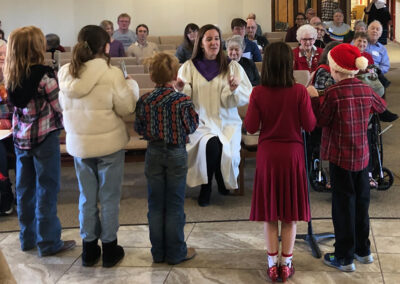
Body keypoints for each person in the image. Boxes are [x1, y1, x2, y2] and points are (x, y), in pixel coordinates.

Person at [57, 25, 139, 267]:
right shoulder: (111, 74)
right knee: (110, 198)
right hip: (108, 146)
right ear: (105, 46)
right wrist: (132, 87)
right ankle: (111, 249)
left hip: (80, 144)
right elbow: (126, 108)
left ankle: (89, 250)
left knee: (86, 198)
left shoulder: (64, 73)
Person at [308, 43, 386, 272]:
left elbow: (321, 121)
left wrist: (314, 97)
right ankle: (363, 250)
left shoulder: (333, 93)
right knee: (362, 203)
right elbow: (381, 106)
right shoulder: (364, 89)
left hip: (340, 157)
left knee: (343, 206)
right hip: (362, 155)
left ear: (335, 69)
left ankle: (344, 256)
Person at [244, 42, 316, 282]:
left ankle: (271, 263)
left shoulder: (258, 92)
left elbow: (252, 127)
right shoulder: (298, 91)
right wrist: (311, 97)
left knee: (270, 213)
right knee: (289, 214)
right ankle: (286, 264)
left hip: (268, 155)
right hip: (292, 154)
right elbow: (310, 125)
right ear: (289, 64)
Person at [3, 26, 76, 256]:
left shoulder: (11, 75)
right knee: (47, 189)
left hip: (21, 139)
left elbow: (12, 108)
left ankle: (27, 238)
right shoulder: (44, 75)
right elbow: (59, 106)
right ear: (36, 47)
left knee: (25, 190)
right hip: (45, 139)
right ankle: (49, 242)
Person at [177, 24, 252, 206]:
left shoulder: (231, 67)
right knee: (211, 144)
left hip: (226, 121)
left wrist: (233, 90)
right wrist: (181, 89)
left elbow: (247, 95)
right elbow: (184, 97)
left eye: (217, 38)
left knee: (223, 144)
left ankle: (220, 177)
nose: (214, 42)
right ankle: (207, 186)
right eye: (209, 39)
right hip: (200, 121)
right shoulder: (189, 67)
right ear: (201, 43)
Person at [135, 52, 199, 265]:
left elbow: (139, 128)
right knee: (174, 204)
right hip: (176, 152)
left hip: (153, 152)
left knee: (155, 204)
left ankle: (158, 252)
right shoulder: (182, 100)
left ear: (152, 76)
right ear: (175, 75)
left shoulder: (145, 100)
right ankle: (176, 252)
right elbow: (191, 125)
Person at [0, 39, 14, 216]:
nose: (2, 58)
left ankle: (21, 195)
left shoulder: (14, 77)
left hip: (16, 128)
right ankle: (5, 194)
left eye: (5, 55)